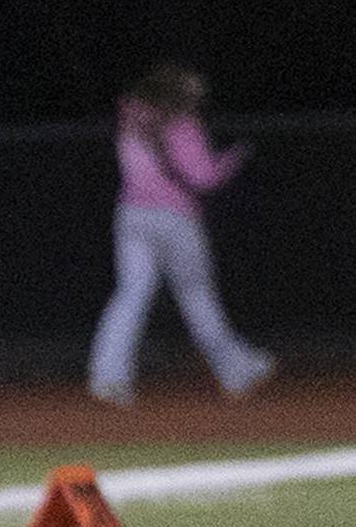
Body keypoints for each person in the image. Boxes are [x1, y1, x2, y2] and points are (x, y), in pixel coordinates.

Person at [88, 62, 275, 406]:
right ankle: (237, 371)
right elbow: (204, 179)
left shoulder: (132, 120)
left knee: (130, 295)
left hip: (132, 216)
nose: (198, 98)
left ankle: (108, 378)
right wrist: (235, 157)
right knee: (197, 297)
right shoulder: (184, 125)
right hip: (176, 220)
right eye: (193, 92)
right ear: (178, 94)